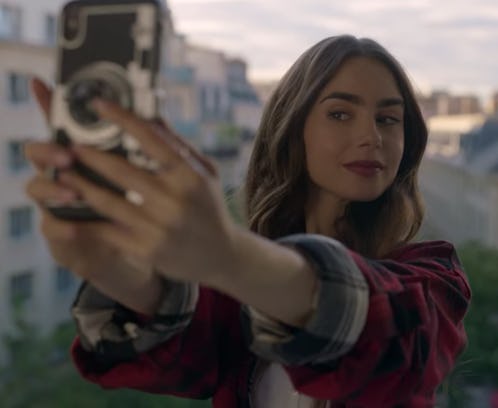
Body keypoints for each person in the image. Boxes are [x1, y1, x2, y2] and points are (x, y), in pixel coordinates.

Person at [24, 35, 471, 407]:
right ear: (292, 129)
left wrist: (226, 255)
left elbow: (392, 334)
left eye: (389, 119)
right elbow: (179, 348)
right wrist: (106, 263)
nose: (371, 136)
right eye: (340, 113)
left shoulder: (434, 278)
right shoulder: (238, 288)